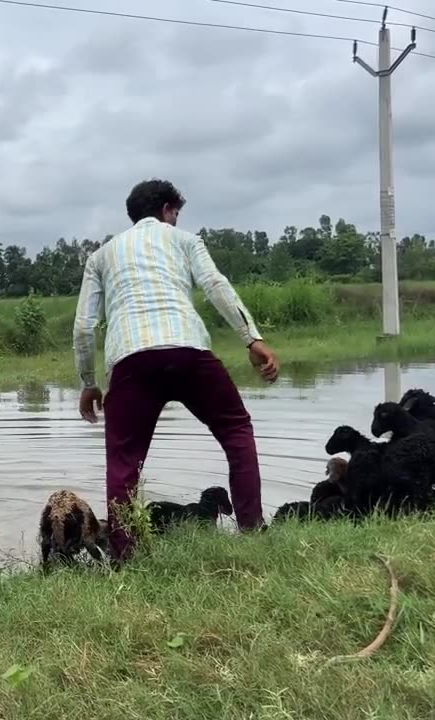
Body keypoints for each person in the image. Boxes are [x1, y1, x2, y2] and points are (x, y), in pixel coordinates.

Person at [72, 178, 279, 563]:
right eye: (176, 213)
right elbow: (216, 285)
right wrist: (251, 338)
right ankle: (251, 528)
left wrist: (88, 383)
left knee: (123, 464)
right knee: (236, 432)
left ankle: (125, 557)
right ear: (167, 210)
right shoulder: (184, 241)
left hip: (131, 360)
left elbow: (84, 326)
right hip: (189, 351)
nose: (177, 220)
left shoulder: (100, 256)